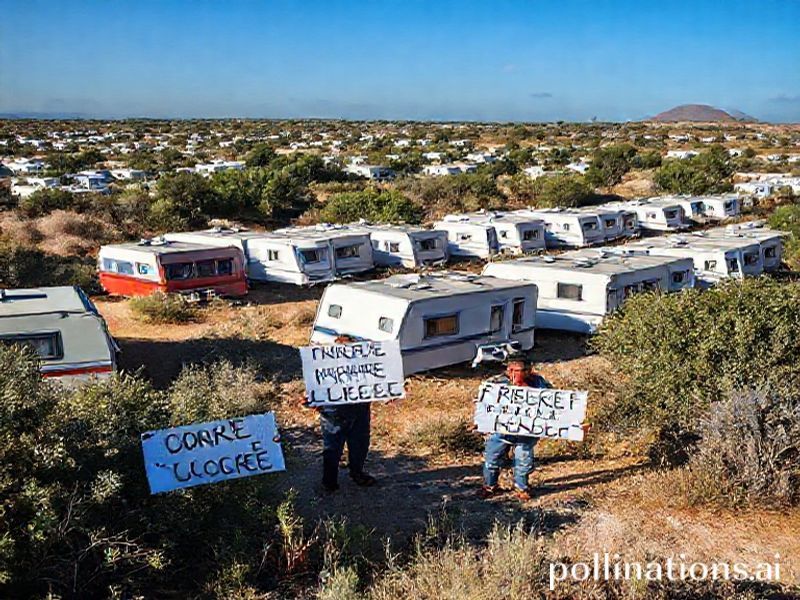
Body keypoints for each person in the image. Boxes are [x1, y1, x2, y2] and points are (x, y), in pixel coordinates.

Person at [301, 335, 377, 493]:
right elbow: (310, 395)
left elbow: (379, 386)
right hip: (333, 415)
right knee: (332, 450)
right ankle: (329, 482)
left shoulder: (363, 370)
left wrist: (389, 395)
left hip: (360, 413)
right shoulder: (324, 370)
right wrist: (310, 400)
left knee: (360, 446)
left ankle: (357, 473)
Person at [479, 350, 550, 501]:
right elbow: (484, 404)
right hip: (501, 431)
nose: (514, 373)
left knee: (523, 460)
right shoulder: (496, 383)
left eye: (520, 370)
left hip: (526, 432)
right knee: (492, 459)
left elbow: (554, 403)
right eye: (512, 369)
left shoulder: (538, 383)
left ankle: (521, 487)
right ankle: (490, 486)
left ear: (528, 370)